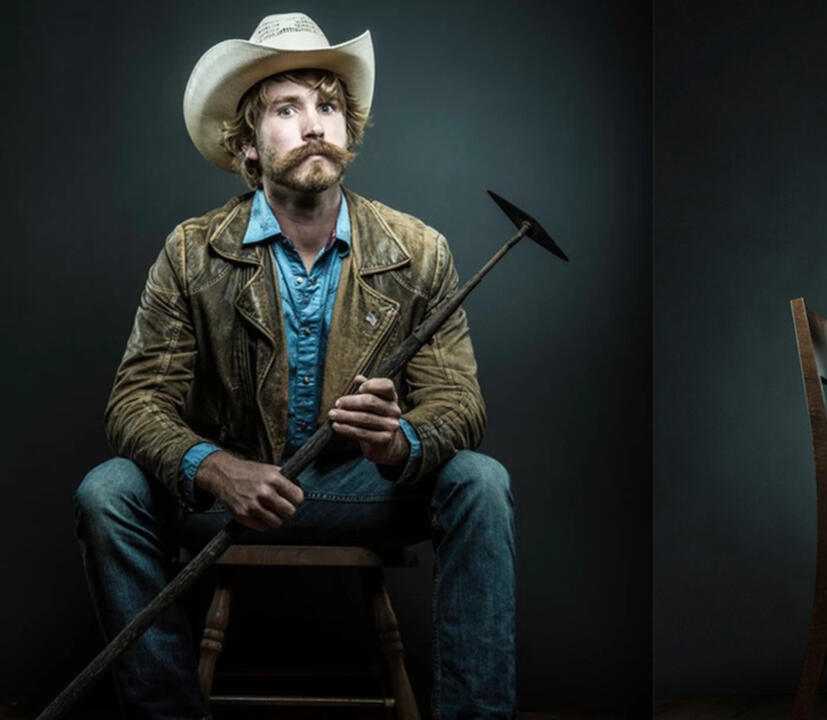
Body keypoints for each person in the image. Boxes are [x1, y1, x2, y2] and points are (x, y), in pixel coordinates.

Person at [73, 13, 515, 719]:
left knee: (480, 480)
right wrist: (215, 467)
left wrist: (397, 442)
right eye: (289, 108)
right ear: (247, 143)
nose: (316, 124)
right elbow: (134, 403)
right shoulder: (192, 253)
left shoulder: (418, 249)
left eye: (329, 105)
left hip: (357, 494)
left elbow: (461, 401)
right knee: (107, 490)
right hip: (230, 496)